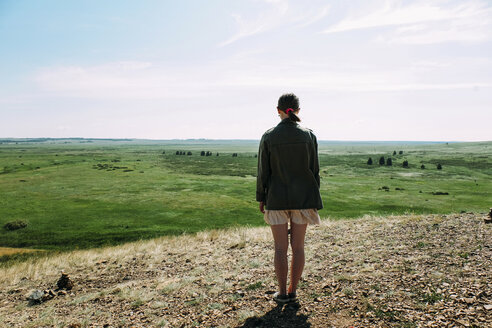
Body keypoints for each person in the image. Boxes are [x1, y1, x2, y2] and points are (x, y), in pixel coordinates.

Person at [256, 93, 323, 303]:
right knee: (299, 247)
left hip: (276, 199)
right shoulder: (309, 135)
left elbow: (263, 172)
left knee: (280, 248)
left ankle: (282, 293)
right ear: (297, 110)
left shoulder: (268, 136)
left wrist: (261, 197)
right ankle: (294, 291)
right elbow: (314, 170)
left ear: (278, 110)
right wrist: (312, 197)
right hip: (303, 199)